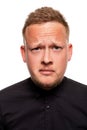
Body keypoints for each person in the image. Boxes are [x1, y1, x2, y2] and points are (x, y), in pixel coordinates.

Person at [0, 6, 87, 130]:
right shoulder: (2, 103)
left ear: (69, 51)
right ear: (24, 53)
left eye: (56, 48)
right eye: (36, 48)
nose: (46, 59)